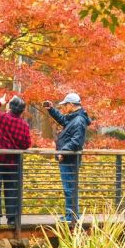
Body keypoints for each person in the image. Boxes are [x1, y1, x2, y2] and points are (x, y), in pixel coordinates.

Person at [0, 94, 31, 227]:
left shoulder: (1, 118)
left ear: (10, 107)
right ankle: (12, 218)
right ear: (21, 111)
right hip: (13, 161)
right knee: (11, 188)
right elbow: (26, 144)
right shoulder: (24, 125)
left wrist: (0, 101)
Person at [46, 90, 91, 226]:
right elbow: (63, 120)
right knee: (69, 187)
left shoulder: (78, 120)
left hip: (69, 159)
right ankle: (69, 214)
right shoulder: (75, 118)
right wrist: (51, 110)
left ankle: (71, 216)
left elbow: (77, 141)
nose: (64, 108)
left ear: (71, 105)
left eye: (65, 105)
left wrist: (63, 152)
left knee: (69, 187)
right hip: (67, 158)